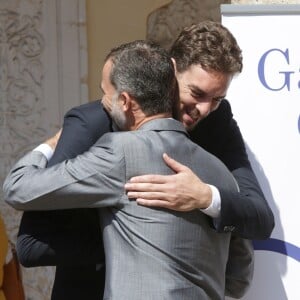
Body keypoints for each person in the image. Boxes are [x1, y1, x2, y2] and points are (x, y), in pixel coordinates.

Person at [15, 21, 273, 299]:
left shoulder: (216, 121)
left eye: (218, 98)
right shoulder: (94, 120)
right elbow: (31, 245)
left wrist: (205, 197)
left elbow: (258, 217)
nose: (205, 109)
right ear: (171, 71)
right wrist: (137, 232)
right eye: (197, 93)